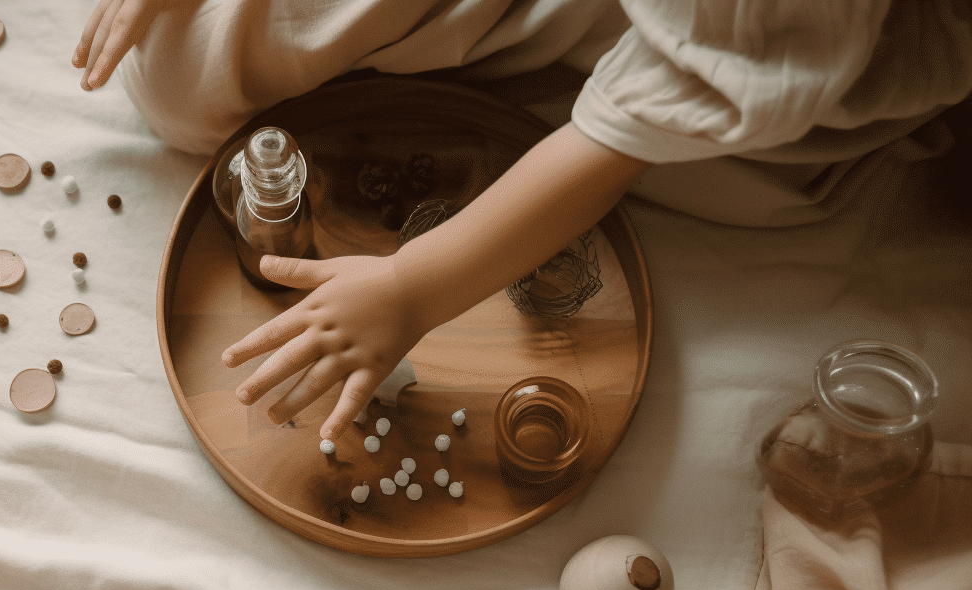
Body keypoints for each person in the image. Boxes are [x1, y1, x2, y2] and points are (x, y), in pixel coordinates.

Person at [73, 0, 972, 441]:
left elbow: (640, 125)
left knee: (749, 174)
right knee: (182, 73)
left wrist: (415, 284)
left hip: (764, 43)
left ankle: (542, 99)